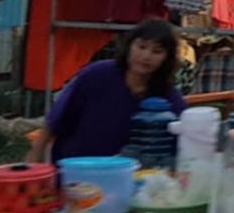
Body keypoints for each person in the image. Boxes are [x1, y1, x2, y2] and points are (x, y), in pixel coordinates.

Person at [29, 19, 187, 163]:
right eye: (141, 46)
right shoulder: (96, 75)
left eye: (156, 51)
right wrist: (35, 159)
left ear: (167, 58)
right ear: (129, 46)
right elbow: (56, 118)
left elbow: (187, 130)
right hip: (75, 170)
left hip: (130, 178)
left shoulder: (167, 95)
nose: (146, 56)